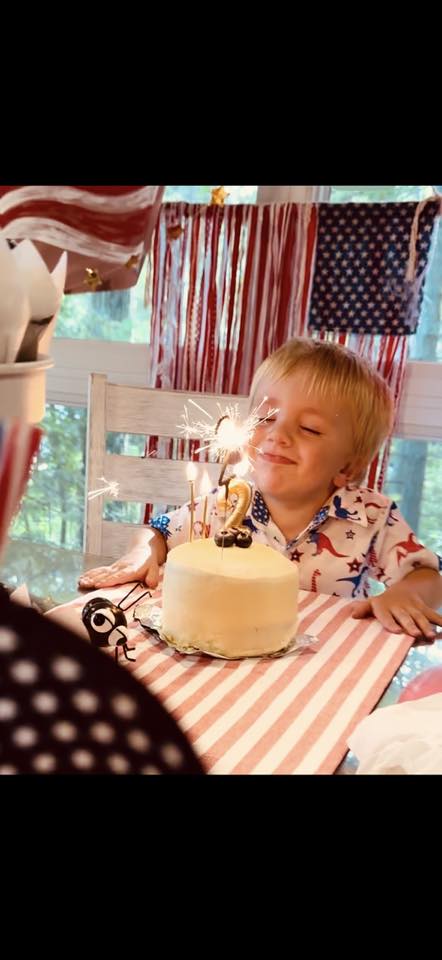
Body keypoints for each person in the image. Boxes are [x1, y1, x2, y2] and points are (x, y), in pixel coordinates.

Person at [79, 338, 442, 641]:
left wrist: (404, 595)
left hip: (322, 671)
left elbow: (429, 576)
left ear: (347, 466)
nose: (277, 435)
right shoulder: (225, 505)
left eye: (311, 429)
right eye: (266, 418)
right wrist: (141, 554)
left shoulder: (371, 517)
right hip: (228, 657)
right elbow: (156, 532)